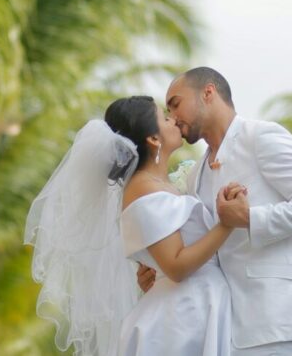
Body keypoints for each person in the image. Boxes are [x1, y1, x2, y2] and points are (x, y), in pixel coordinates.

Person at [145, 67, 292, 355]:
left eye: (175, 103)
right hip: (227, 324)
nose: (172, 116)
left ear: (208, 92)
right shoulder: (195, 173)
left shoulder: (261, 136)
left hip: (277, 316)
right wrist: (157, 270)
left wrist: (250, 218)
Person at [25, 96, 244, 355]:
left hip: (194, 308)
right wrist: (226, 224)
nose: (173, 119)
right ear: (153, 139)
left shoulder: (158, 185)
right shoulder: (142, 189)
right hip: (182, 321)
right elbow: (175, 266)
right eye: (164, 117)